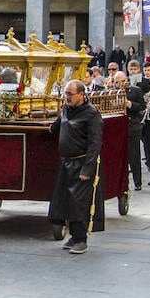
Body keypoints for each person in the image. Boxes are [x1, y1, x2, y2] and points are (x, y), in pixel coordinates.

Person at [47, 80, 103, 255]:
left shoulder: (91, 114)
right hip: (66, 162)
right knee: (66, 201)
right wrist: (52, 128)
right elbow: (59, 123)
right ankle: (73, 236)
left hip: (81, 163)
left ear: (81, 95)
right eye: (66, 93)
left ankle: (81, 240)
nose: (67, 97)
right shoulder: (66, 109)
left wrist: (88, 169)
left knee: (79, 203)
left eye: (70, 94)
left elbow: (95, 144)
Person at [111, 71, 145, 191]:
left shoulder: (135, 91)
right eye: (116, 82)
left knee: (134, 155)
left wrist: (130, 104)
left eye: (121, 81)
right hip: (118, 127)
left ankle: (137, 182)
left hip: (132, 126)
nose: (119, 84)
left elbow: (142, 106)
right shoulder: (112, 92)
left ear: (126, 80)